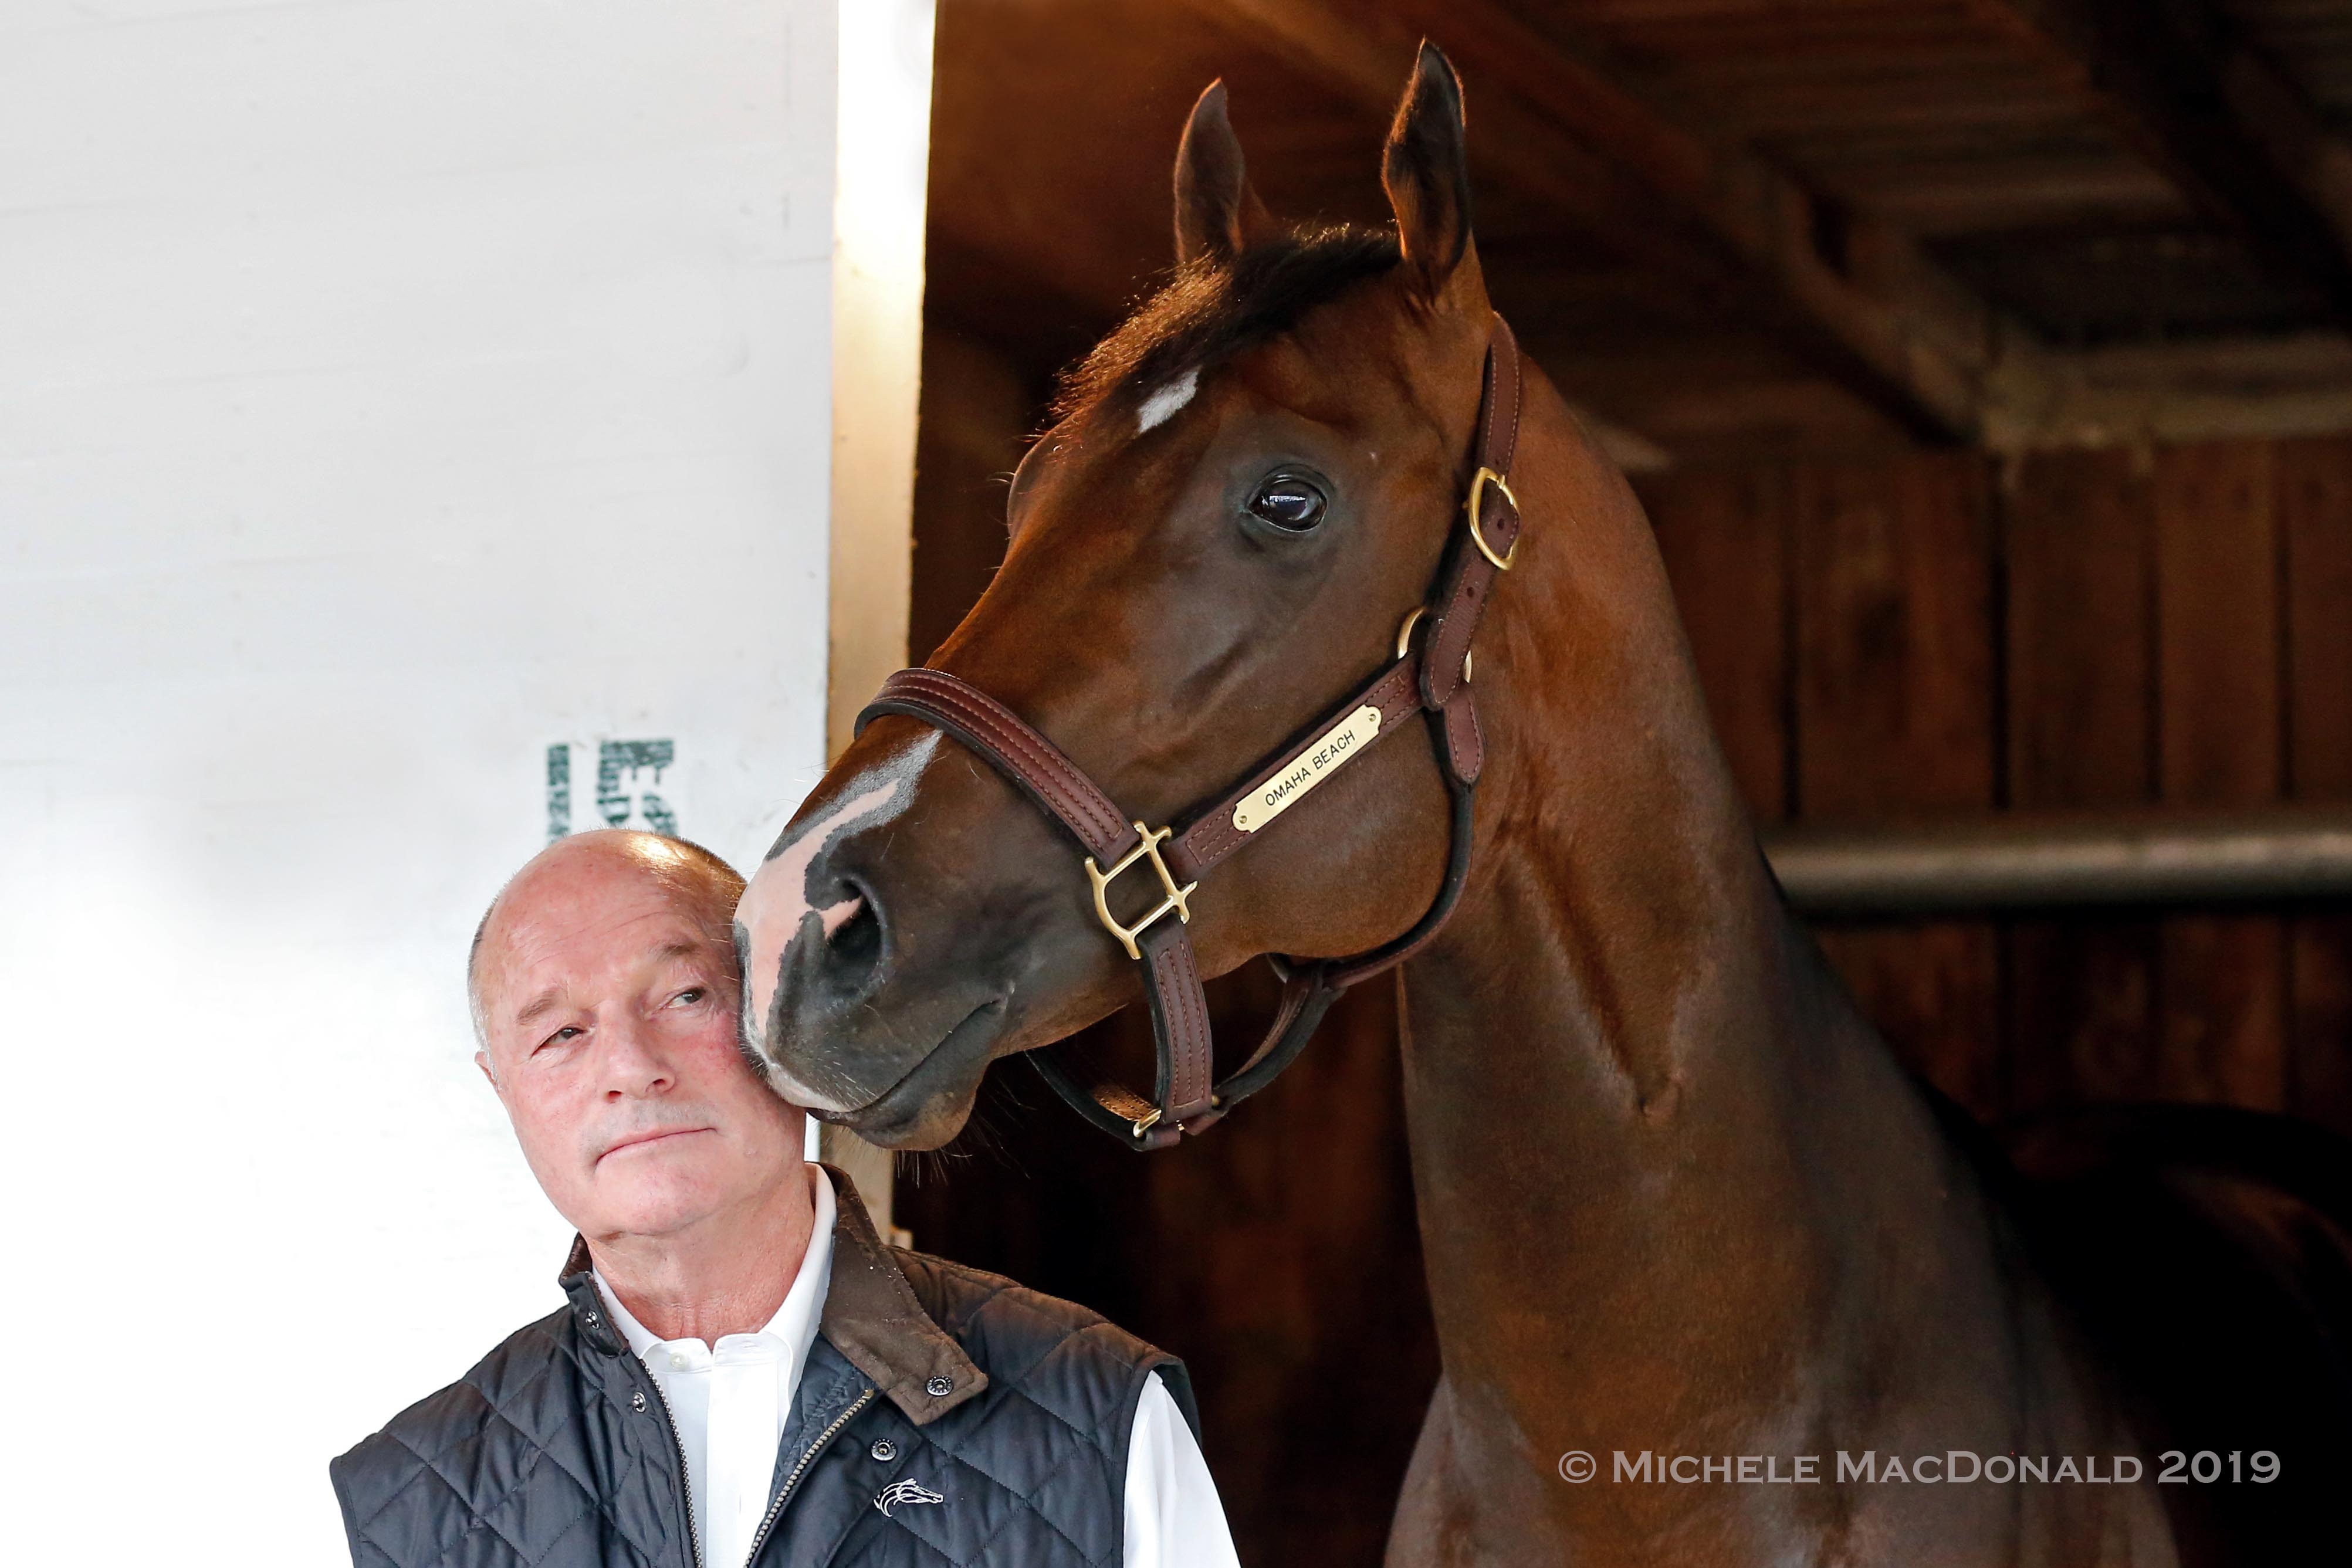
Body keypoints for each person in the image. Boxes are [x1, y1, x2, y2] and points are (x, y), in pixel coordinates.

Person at [331, 829, 1243, 1567]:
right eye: (562, 1033)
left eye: (685, 995)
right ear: (504, 1091)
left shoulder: (1095, 1413)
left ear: (783, 1013)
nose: (631, 1069)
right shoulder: (408, 1502)